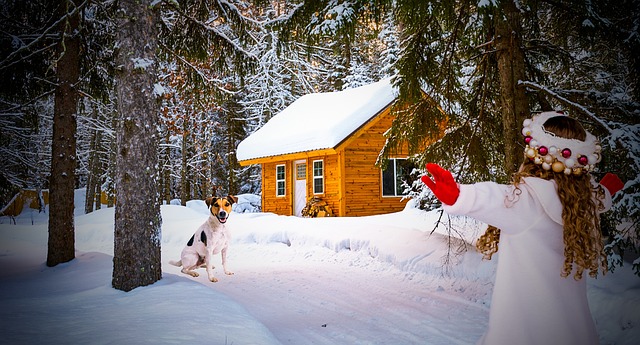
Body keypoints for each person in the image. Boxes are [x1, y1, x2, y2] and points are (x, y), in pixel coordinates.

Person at [421, 111, 624, 345]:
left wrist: (460, 195)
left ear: (534, 153)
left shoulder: (526, 201)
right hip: (573, 330)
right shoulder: (581, 203)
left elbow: (493, 198)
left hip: (522, 332)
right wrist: (607, 191)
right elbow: (599, 198)